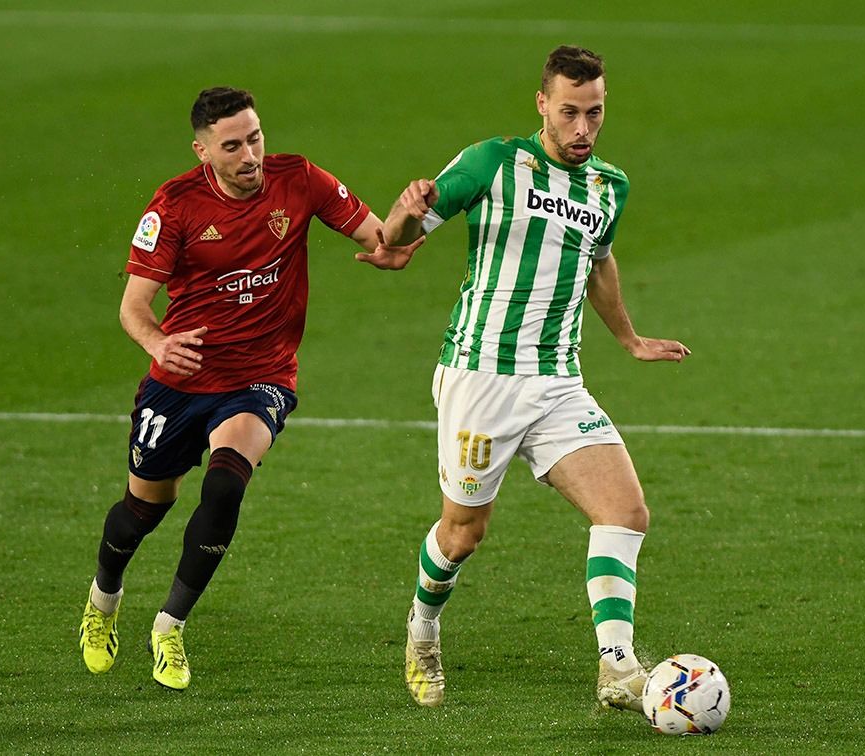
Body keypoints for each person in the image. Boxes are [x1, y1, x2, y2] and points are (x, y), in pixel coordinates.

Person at [361, 45, 691, 712]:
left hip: (558, 384)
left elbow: (598, 262)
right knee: (463, 534)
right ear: (542, 104)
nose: (582, 130)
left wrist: (627, 337)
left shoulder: (608, 187)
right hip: (481, 380)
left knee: (625, 511)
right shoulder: (492, 162)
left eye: (594, 114)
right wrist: (402, 212)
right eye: (569, 113)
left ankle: (618, 668)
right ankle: (422, 628)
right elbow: (395, 240)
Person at [78, 87, 421, 690]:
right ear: (203, 151)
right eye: (232, 145)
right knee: (141, 512)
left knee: (225, 484)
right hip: (181, 382)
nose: (250, 155)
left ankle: (169, 626)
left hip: (261, 377)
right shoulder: (176, 205)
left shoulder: (301, 180)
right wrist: (158, 343)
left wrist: (403, 226)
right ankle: (103, 601)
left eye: (255, 137)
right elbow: (134, 306)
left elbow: (379, 236)